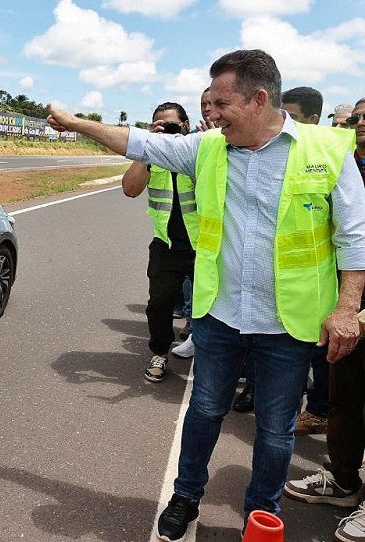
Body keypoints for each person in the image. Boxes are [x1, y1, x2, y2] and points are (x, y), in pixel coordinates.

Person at [46, 49, 365, 541]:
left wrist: (346, 307)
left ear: (259, 100)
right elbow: (139, 142)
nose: (210, 113)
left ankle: (261, 516)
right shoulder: (208, 148)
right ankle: (186, 496)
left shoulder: (328, 151)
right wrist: (75, 124)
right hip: (219, 316)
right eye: (209, 103)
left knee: (275, 430)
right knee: (205, 411)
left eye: (220, 103)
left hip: (288, 325)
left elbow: (354, 237)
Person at [285, 97, 365, 542]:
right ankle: (344, 480)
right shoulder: (344, 162)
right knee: (345, 398)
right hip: (349, 301)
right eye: (356, 117)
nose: (358, 123)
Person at [120, 102, 197, 382]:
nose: (169, 130)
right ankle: (159, 354)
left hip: (203, 245)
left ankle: (210, 356)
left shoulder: (200, 152)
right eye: (161, 126)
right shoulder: (152, 157)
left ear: (186, 126)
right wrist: (147, 148)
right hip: (166, 245)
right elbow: (130, 189)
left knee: (211, 307)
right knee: (159, 305)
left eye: (173, 125)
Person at [280, 86, 332, 435]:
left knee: (323, 354)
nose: (283, 123)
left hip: (331, 278)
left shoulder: (330, 158)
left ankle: (319, 410)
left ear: (313, 120)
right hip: (297, 285)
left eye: (293, 117)